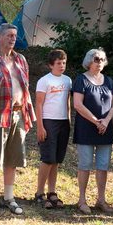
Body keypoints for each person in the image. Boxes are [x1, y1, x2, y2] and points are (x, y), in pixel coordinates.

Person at [0, 24, 35, 216]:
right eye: (9, 35)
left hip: (18, 114)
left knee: (13, 157)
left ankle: (9, 197)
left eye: (15, 35)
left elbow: (26, 87)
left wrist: (27, 113)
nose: (13, 39)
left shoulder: (21, 60)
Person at [71, 48, 113, 214]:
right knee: (85, 165)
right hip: (86, 129)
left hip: (105, 129)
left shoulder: (108, 81)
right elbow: (77, 105)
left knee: (103, 166)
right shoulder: (81, 80)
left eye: (102, 59)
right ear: (89, 61)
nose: (100, 62)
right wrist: (96, 121)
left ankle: (101, 200)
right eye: (96, 59)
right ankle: (82, 200)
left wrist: (106, 121)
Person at [34, 49, 72, 209]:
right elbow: (39, 104)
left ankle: (52, 192)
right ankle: (39, 193)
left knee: (56, 160)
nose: (61, 65)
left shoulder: (68, 80)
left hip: (63, 122)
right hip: (48, 122)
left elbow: (68, 102)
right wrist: (40, 126)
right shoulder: (44, 81)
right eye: (58, 63)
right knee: (48, 159)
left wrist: (68, 120)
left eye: (63, 63)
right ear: (51, 65)